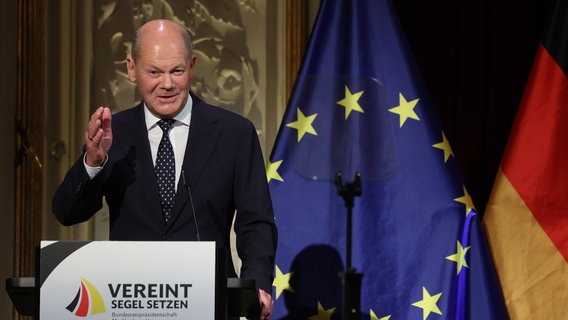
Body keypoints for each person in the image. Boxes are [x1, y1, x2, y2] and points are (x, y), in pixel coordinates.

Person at [52, 19, 277, 320]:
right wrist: (92, 163)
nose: (167, 84)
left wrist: (258, 284)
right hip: (129, 301)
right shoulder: (113, 134)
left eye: (177, 71)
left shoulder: (234, 133)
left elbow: (256, 223)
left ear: (192, 66)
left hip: (209, 300)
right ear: (132, 69)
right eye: (154, 72)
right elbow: (67, 213)